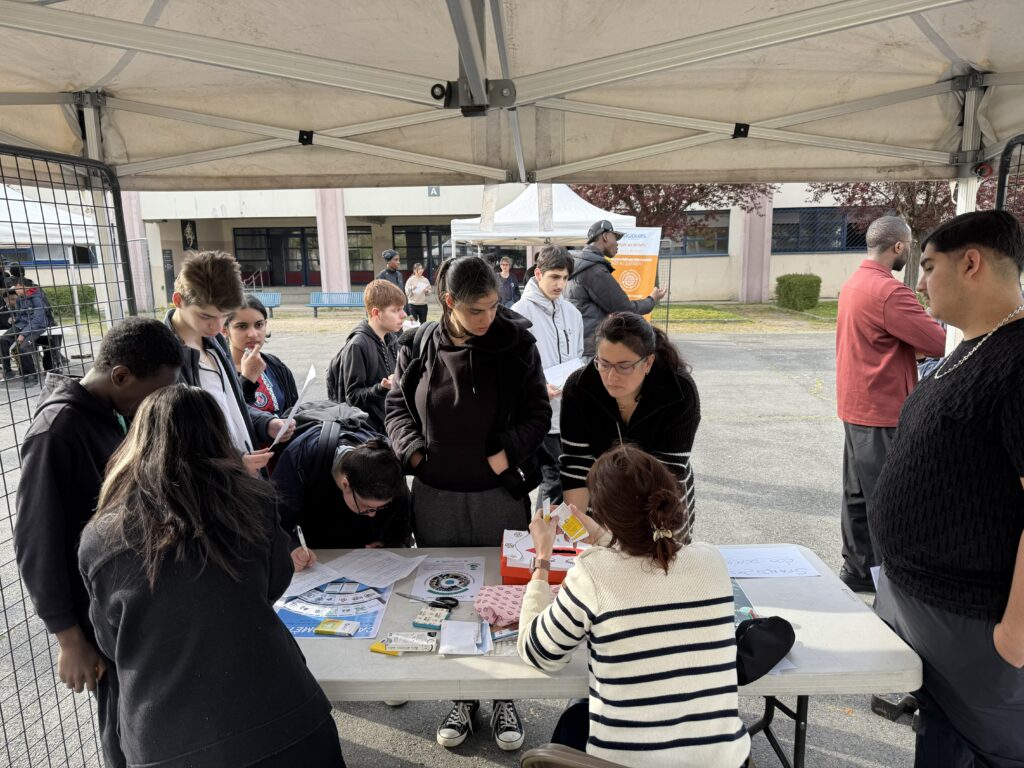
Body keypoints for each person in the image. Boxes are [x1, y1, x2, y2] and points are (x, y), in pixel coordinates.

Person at [79, 386, 345, 768]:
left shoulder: (101, 538)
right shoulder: (254, 502)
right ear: (218, 436)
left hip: (166, 737)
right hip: (284, 716)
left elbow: (110, 638)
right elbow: (275, 582)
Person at [871, 210, 1024, 767]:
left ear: (973, 262)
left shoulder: (1018, 358)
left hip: (977, 619)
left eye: (929, 266)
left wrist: (1016, 631)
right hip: (927, 607)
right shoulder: (970, 348)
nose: (918, 281)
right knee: (942, 738)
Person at [385, 255, 550, 752]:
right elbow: (395, 406)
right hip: (435, 496)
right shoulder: (415, 344)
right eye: (477, 311)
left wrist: (506, 456)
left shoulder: (517, 343)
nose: (488, 319)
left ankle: (504, 699)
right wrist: (412, 451)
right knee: (448, 600)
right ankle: (463, 695)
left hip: (498, 497)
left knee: (505, 599)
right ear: (449, 302)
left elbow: (538, 411)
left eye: (495, 307)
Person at [14, 317, 182, 768]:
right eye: (151, 398)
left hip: (124, 608)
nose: (151, 410)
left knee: (142, 720)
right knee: (121, 732)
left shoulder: (108, 412)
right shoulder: (58, 432)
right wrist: (68, 638)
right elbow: (36, 542)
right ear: (121, 376)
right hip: (94, 623)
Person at [519, 444, 751, 767]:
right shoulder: (711, 561)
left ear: (606, 515)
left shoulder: (593, 573)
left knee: (574, 720)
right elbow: (646, 560)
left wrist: (542, 559)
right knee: (576, 720)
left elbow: (538, 652)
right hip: (725, 763)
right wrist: (605, 537)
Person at [834, 216, 946, 593]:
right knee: (888, 499)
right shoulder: (889, 292)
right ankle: (890, 582)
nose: (910, 252)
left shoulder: (854, 284)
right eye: (909, 246)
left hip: (856, 403)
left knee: (857, 495)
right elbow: (936, 342)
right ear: (899, 247)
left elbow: (881, 339)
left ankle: (858, 569)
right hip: (883, 407)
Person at [559, 312, 700, 520]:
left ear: (648, 362)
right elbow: (577, 464)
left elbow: (669, 470)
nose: (611, 376)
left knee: (656, 552)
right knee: (591, 548)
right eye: (604, 364)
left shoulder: (678, 391)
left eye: (624, 367)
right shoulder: (579, 388)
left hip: (662, 496)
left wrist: (632, 535)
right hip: (600, 494)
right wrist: (577, 525)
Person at [164, 250, 293, 475]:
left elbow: (229, 405)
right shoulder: (164, 357)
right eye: (206, 316)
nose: (217, 326)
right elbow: (174, 444)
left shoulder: (213, 341)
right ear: (178, 300)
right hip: (212, 485)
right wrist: (232, 464)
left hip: (242, 474)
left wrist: (266, 423)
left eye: (224, 315)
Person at [273, 411, 412, 572]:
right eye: (366, 506)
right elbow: (274, 517)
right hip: (315, 551)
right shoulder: (302, 458)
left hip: (365, 559)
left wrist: (390, 544)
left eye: (381, 507)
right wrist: (291, 547)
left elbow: (402, 521)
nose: (372, 514)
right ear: (345, 485)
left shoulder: (389, 467)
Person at [511, 245, 584, 510]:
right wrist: (538, 386)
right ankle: (544, 539)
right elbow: (511, 368)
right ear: (538, 273)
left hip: (571, 412)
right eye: (554, 277)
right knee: (551, 477)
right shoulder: (519, 313)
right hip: (539, 413)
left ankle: (557, 538)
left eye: (565, 278)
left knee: (569, 478)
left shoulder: (573, 314)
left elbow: (578, 356)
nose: (560, 284)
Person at [565, 219, 668, 359]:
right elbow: (626, 309)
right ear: (605, 236)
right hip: (590, 349)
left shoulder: (578, 264)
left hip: (578, 345)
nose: (618, 243)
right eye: (615, 238)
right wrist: (652, 299)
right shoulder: (594, 270)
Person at [326, 279, 405, 434]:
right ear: (376, 313)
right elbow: (353, 397)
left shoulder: (391, 339)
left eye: (402, 309)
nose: (403, 315)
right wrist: (381, 388)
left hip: (389, 422)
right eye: (396, 310)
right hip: (370, 431)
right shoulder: (358, 346)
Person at [224, 294, 298, 418]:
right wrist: (247, 379)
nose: (253, 334)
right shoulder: (218, 372)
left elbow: (294, 411)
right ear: (225, 330)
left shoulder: (276, 366)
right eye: (242, 326)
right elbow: (229, 418)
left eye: (259, 325)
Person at [1, 277, 51, 380]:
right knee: (3, 340)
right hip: (21, 324)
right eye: (16, 288)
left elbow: (38, 319)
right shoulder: (20, 299)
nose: (16, 291)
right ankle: (8, 371)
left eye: (18, 288)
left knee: (22, 348)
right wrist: (15, 319)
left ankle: (32, 375)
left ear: (26, 287)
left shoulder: (37, 298)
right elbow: (20, 315)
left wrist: (23, 334)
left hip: (36, 325)